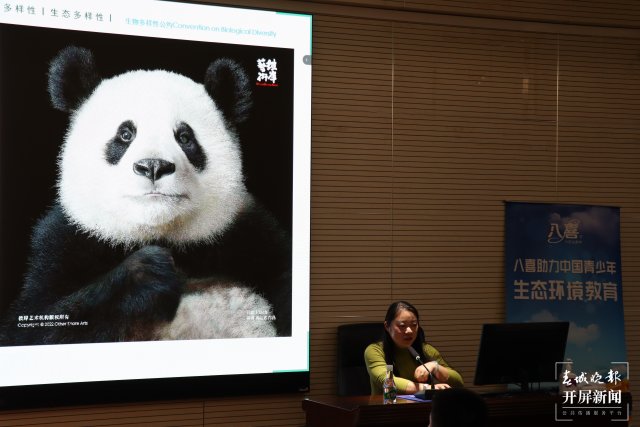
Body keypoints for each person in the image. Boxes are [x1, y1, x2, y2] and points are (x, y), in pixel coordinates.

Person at [364, 301, 464, 395]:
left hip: (421, 409)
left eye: (414, 325)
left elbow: (458, 383)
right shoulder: (375, 351)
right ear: (387, 326)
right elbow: (388, 382)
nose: (409, 331)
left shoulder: (426, 350)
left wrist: (436, 367)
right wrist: (428, 389)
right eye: (402, 325)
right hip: (387, 410)